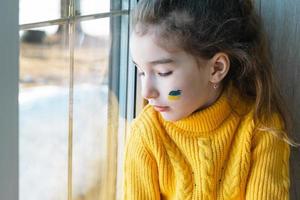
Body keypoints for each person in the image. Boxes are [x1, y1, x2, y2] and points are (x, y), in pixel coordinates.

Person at [123, 0, 295, 199]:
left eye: (163, 72)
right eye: (141, 72)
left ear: (216, 69)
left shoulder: (261, 127)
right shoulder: (146, 134)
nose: (146, 93)